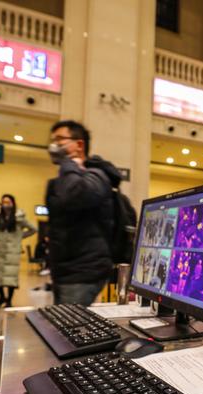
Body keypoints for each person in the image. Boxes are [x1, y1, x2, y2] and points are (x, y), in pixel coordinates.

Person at [46, 120, 123, 305]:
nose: (53, 145)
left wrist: (68, 163)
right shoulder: (67, 177)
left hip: (82, 271)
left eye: (60, 139)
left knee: (68, 328)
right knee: (63, 323)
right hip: (65, 268)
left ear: (79, 144)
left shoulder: (96, 175)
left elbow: (75, 196)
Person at [0, 194, 37, 308]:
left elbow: (33, 229)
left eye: (8, 202)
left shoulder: (19, 217)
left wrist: (19, 237)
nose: (5, 204)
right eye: (3, 202)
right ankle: (1, 297)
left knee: (11, 278)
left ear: (13, 203)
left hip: (13, 252)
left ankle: (9, 300)